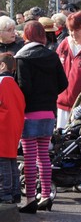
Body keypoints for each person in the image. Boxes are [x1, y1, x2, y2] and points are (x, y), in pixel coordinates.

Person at [15, 21, 68, 213]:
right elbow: (63, 83)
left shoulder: (22, 58)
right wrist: (49, 93)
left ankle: (30, 199)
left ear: (26, 36)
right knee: (44, 156)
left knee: (29, 158)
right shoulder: (52, 55)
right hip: (48, 112)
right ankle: (46, 195)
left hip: (29, 114)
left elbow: (23, 88)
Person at [0, 53, 25, 205]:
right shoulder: (15, 85)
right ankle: (15, 193)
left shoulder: (1, 82)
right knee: (11, 161)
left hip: (2, 127)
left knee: (2, 163)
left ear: (3, 65)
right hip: (14, 127)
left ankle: (5, 193)